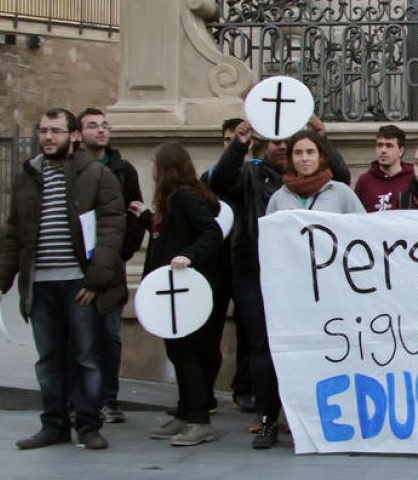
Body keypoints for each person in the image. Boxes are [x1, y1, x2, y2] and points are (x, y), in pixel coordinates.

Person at [0, 108, 125, 451]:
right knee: (48, 358)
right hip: (40, 285)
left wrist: (94, 281)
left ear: (73, 136)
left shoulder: (96, 175)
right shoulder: (27, 176)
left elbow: (111, 229)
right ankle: (54, 424)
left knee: (86, 357)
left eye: (56, 131)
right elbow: (16, 235)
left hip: (79, 285)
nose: (48, 137)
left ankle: (88, 425)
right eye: (44, 131)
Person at [209, 115, 349, 450]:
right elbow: (220, 181)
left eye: (307, 151)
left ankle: (320, 418)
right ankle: (269, 417)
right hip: (263, 277)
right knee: (263, 347)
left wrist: (323, 137)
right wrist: (240, 141)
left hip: (318, 285)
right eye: (291, 149)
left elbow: (357, 231)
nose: (298, 156)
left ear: (319, 155)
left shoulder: (337, 190)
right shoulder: (254, 176)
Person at [139, 142, 225, 446]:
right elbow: (171, 236)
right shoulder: (174, 200)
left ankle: (200, 420)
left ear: (166, 167)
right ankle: (185, 412)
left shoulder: (187, 197)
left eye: (154, 161)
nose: (150, 167)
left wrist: (189, 256)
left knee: (187, 353)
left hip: (190, 290)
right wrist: (147, 220)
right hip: (176, 291)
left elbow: (211, 233)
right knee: (179, 351)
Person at [77, 107, 146, 425]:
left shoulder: (123, 169)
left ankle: (109, 398)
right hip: (77, 264)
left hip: (112, 261)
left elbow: (134, 212)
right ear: (79, 133)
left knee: (110, 334)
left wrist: (123, 250)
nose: (102, 131)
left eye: (105, 125)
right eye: (93, 126)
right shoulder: (71, 169)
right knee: (79, 334)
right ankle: (81, 399)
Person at [198, 117, 253, 414]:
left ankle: (243, 389)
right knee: (209, 330)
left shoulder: (256, 176)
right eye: (228, 140)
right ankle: (204, 391)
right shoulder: (209, 178)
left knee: (247, 331)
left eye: (240, 139)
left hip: (244, 263)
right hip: (215, 264)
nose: (234, 145)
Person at [267, 131, 366, 214]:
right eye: (298, 153)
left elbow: (361, 227)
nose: (304, 158)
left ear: (321, 156)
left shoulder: (342, 193)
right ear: (291, 158)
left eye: (310, 152)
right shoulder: (278, 198)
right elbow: (269, 233)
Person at [354, 124, 414, 212]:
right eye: (380, 145)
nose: (383, 150)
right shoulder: (365, 181)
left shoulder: (413, 179)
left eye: (389, 146)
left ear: (401, 151)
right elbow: (354, 215)